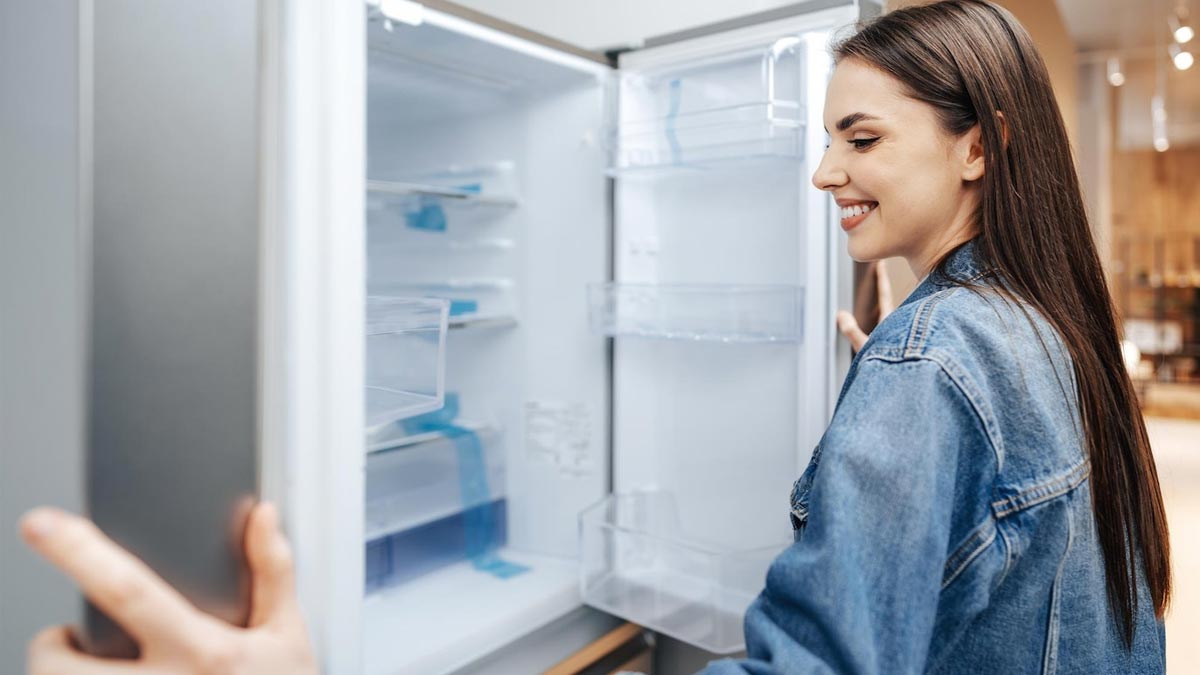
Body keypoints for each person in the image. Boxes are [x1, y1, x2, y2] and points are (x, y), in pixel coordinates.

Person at [21, 1, 1170, 672]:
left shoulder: (935, 363)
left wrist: (898, 397)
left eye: (861, 138)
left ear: (980, 145)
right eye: (827, 137)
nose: (824, 171)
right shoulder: (1036, 329)